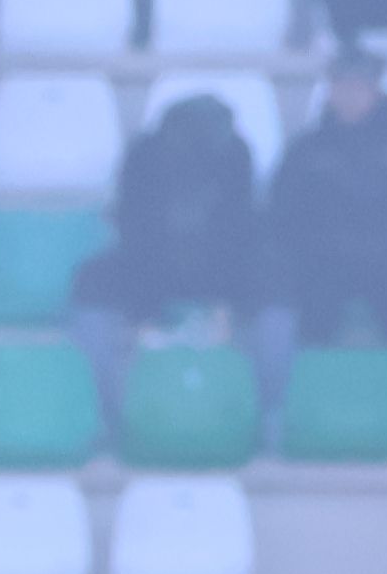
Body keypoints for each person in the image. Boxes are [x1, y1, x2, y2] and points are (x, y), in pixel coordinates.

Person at [77, 90, 288, 407]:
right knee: (90, 282)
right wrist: (146, 306)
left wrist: (223, 299)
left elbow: (241, 226)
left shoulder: (235, 152)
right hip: (151, 266)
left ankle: (269, 410)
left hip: (221, 267)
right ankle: (104, 409)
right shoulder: (144, 155)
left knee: (278, 284)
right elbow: (133, 225)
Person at [267, 46, 387, 351]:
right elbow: (281, 219)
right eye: (341, 85)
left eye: (359, 86)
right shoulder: (305, 152)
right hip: (321, 283)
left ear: (377, 90)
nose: (349, 95)